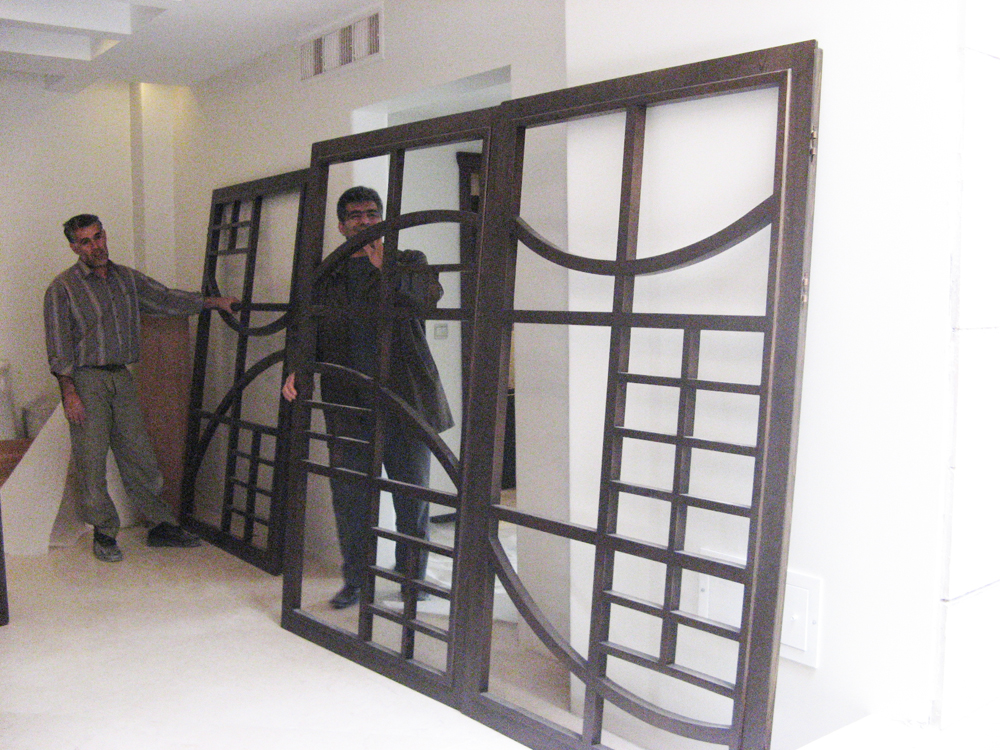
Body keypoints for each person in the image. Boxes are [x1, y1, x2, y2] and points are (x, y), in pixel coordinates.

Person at [282, 186, 453, 609]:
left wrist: (386, 270)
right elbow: (309, 327)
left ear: (383, 219)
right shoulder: (326, 273)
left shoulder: (409, 261)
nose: (364, 221)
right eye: (355, 215)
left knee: (413, 497)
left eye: (372, 214)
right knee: (351, 498)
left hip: (405, 400)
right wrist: (299, 368)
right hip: (347, 402)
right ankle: (357, 580)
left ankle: (412, 578)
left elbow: (427, 303)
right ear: (341, 226)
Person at [44, 214, 238, 563]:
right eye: (86, 241)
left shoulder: (127, 279)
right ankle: (105, 532)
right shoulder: (63, 288)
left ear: (105, 235)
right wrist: (69, 393)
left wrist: (214, 302)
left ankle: (161, 525)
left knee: (139, 454)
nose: (96, 246)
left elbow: (165, 298)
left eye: (98, 236)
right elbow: (59, 346)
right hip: (86, 380)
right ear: (74, 247)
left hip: (122, 376)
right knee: (91, 459)